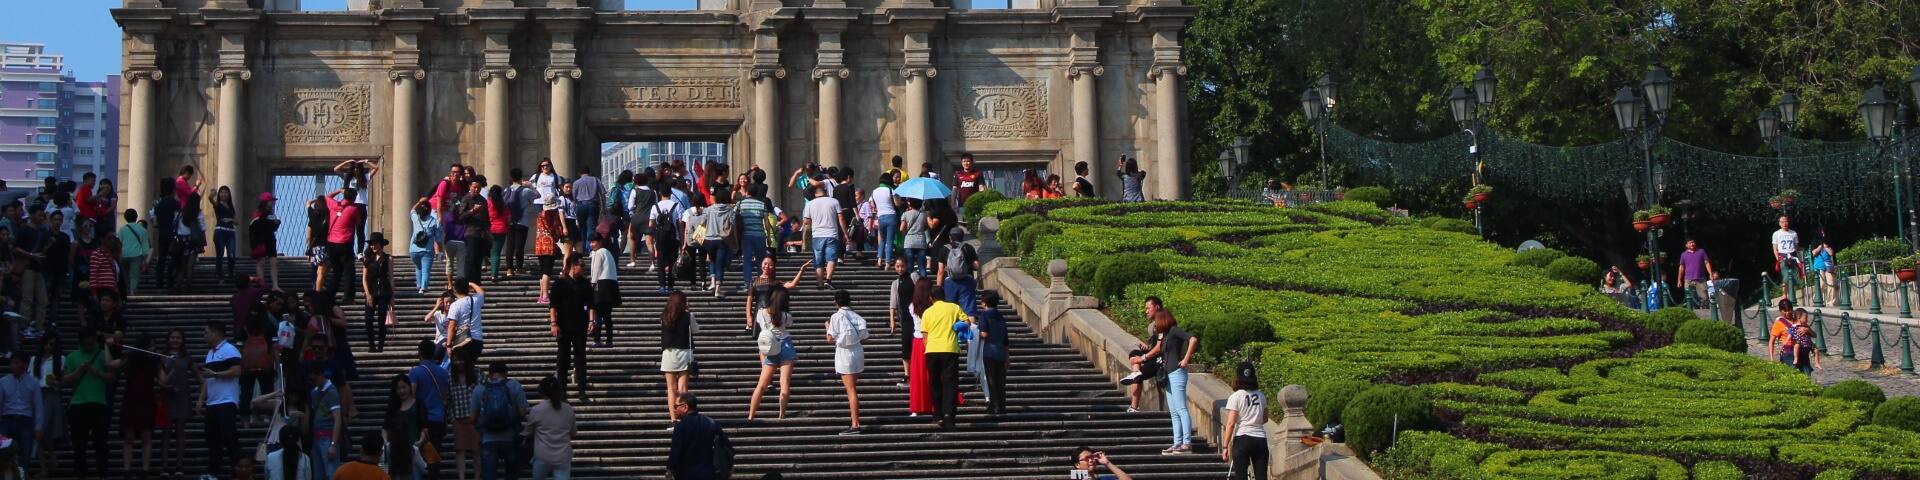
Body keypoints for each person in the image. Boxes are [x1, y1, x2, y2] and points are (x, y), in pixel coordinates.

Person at [1140, 297, 1198, 454]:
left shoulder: (1173, 330)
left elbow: (1192, 339)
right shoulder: (1164, 335)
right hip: (1168, 374)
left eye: (1157, 321)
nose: (1155, 324)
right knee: (1173, 411)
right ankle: (1177, 442)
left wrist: (1186, 359)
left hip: (1177, 373)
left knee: (1181, 408)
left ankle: (1187, 442)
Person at [200, 322, 244, 479]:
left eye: (206, 332)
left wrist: (216, 374)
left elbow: (236, 371)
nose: (204, 336)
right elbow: (207, 378)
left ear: (215, 333)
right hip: (212, 402)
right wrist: (201, 400)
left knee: (229, 436)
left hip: (226, 401)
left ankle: (238, 469)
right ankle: (213, 472)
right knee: (212, 439)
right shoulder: (210, 353)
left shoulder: (229, 350)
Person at [546, 258, 593, 402]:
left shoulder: (585, 283)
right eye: (582, 265)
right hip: (563, 326)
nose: (584, 268)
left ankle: (582, 390)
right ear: (573, 266)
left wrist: (591, 321)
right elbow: (553, 305)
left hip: (580, 326)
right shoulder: (560, 283)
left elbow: (591, 304)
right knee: (563, 360)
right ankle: (562, 392)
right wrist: (553, 323)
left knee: (581, 358)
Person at [748, 287, 797, 421]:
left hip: (770, 347)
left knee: (762, 384)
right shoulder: (786, 315)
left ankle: (751, 415)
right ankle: (782, 414)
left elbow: (760, 324)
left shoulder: (761, 312)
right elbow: (789, 324)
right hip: (785, 345)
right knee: (784, 382)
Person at [473, 362, 527, 480]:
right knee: (511, 473)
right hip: (510, 436)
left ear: (489, 374)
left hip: (487, 438)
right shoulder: (514, 385)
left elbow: (473, 417)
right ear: (505, 373)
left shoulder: (479, 389)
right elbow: (523, 412)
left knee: (489, 475)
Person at [406, 339, 451, 480]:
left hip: (420, 421)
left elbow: (411, 395)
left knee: (416, 453)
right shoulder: (443, 373)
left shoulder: (415, 372)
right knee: (434, 455)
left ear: (419, 353)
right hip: (438, 418)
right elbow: (446, 396)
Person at [826, 290, 868, 435]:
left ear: (836, 302)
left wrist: (827, 327)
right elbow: (864, 335)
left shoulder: (836, 316)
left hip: (845, 353)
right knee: (853, 388)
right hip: (857, 351)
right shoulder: (857, 316)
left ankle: (855, 423)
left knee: (851, 390)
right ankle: (855, 421)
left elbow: (829, 338)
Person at [1220, 362, 1269, 480]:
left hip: (1242, 438)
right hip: (1260, 439)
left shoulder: (1236, 396)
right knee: (1261, 476)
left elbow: (1231, 423)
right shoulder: (1261, 396)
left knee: (1241, 476)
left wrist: (1225, 446)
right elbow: (1265, 418)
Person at [524, 375, 575, 480]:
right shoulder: (568, 409)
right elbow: (573, 432)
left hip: (542, 455)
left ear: (542, 392)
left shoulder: (536, 410)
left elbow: (528, 431)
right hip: (563, 455)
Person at [659, 290, 696, 428]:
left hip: (668, 353)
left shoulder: (664, 316)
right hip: (685, 352)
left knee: (671, 388)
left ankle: (674, 420)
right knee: (683, 388)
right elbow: (696, 329)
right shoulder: (688, 315)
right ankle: (685, 418)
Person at [665, 393, 724, 480]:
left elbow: (675, 452)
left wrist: (670, 469)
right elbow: (727, 447)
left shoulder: (681, 426)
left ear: (685, 407)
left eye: (675, 406)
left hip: (686, 474)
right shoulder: (711, 423)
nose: (674, 410)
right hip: (709, 474)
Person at [159, 330, 192, 478]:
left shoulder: (186, 357)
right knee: (165, 433)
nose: (175, 340)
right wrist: (164, 386)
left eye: (178, 337)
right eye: (172, 337)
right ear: (168, 340)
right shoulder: (161, 357)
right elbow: (156, 377)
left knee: (180, 431)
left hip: (182, 396)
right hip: (166, 396)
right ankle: (164, 465)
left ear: (183, 340)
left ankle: (179, 465)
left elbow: (198, 375)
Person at [0, 354, 40, 476]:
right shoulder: (3, 381)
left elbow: (38, 406)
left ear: (25, 365)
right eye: (12, 363)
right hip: (7, 420)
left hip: (25, 421)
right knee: (3, 455)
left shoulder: (34, 383)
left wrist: (38, 427)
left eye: (16, 363)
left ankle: (22, 477)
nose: (13, 366)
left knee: (24, 456)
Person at [323, 188, 366, 301]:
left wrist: (338, 191)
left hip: (331, 243)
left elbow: (327, 197)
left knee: (336, 271)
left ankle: (330, 294)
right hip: (344, 243)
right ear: (354, 198)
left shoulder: (334, 205)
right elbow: (358, 223)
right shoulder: (353, 209)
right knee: (349, 271)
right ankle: (348, 296)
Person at [803, 183, 848, 291]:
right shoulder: (834, 201)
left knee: (818, 260)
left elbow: (805, 221)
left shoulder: (810, 204)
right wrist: (845, 233)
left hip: (817, 235)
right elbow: (841, 219)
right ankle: (828, 280)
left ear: (815, 193)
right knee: (831, 259)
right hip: (832, 234)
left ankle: (820, 283)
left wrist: (815, 221)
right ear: (826, 191)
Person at [382, 374, 427, 480]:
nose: (401, 391)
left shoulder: (419, 404)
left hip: (414, 450)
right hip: (395, 451)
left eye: (404, 387)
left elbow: (424, 427)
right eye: (398, 389)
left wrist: (419, 442)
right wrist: (386, 443)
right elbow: (385, 427)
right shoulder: (393, 406)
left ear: (409, 387)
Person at [306, 362, 344, 480]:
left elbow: (337, 419)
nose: (313, 382)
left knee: (331, 474)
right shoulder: (314, 392)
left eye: (314, 378)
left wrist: (333, 444)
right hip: (316, 438)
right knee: (318, 475)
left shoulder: (332, 392)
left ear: (321, 375)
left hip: (327, 438)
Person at [362, 233, 396, 353]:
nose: (373, 246)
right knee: (368, 319)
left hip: (384, 291)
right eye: (371, 244)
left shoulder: (388, 258)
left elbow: (391, 277)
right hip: (371, 291)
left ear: (381, 244)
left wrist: (392, 296)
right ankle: (371, 344)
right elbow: (364, 278)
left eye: (376, 243)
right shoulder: (368, 258)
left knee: (382, 320)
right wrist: (367, 294)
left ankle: (380, 345)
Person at [734, 184, 772, 292]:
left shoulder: (740, 203)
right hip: (760, 235)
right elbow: (766, 222)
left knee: (747, 260)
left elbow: (734, 217)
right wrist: (768, 236)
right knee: (761, 260)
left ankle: (748, 284)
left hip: (746, 235)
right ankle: (762, 282)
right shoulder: (762, 204)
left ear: (747, 192)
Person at [977, 292, 1009, 414]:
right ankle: (1001, 406)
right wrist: (1007, 358)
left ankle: (994, 405)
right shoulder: (1000, 316)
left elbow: (984, 334)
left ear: (984, 303)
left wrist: (975, 333)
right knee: (1001, 381)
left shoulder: (985, 315)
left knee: (991, 379)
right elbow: (1006, 339)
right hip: (1000, 352)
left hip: (989, 351)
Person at [647, 184, 683, 293]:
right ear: (671, 193)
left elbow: (650, 224)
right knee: (672, 262)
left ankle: (662, 286)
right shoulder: (677, 205)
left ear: (660, 193)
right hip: (673, 237)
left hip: (660, 238)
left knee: (661, 262)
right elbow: (681, 223)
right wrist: (681, 239)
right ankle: (671, 286)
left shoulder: (655, 206)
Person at [447, 356, 478, 480]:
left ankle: (477, 476)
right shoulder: (450, 377)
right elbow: (448, 399)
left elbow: (484, 391)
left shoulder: (477, 373)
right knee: (460, 450)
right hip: (459, 418)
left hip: (475, 418)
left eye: (460, 359)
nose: (458, 362)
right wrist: (452, 417)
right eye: (455, 360)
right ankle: (461, 477)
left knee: (476, 450)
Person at [937, 229, 980, 316]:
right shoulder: (968, 247)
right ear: (962, 237)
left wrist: (938, 286)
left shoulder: (944, 248)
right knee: (969, 311)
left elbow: (941, 271)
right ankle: (970, 328)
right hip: (966, 281)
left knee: (950, 310)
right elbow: (977, 265)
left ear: (950, 237)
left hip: (950, 282)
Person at [702, 190, 737, 297]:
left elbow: (703, 222)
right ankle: (718, 288)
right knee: (720, 265)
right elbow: (733, 224)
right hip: (722, 240)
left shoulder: (708, 209)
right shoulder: (730, 210)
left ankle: (712, 282)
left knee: (712, 261)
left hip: (708, 239)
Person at [534, 195, 568, 305]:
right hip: (549, 245)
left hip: (539, 244)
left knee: (542, 271)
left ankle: (541, 295)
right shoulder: (552, 215)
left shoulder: (540, 214)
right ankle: (545, 295)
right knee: (547, 271)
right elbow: (556, 230)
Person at [589, 234, 622, 348]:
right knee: (607, 316)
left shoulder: (599, 253)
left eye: (593, 242)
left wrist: (592, 284)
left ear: (599, 242)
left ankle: (597, 339)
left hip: (601, 284)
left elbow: (596, 270)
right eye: (591, 242)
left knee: (598, 314)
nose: (591, 244)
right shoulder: (608, 253)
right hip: (612, 285)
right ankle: (609, 340)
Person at [449, 281, 488, 366]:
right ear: (468, 289)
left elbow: (451, 326)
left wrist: (449, 344)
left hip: (462, 341)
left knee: (461, 367)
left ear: (455, 290)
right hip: (477, 340)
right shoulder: (475, 300)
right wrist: (471, 283)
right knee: (470, 365)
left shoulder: (455, 305)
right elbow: (481, 292)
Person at [506, 168, 535, 278]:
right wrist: (530, 185)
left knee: (510, 245)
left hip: (510, 221)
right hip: (522, 221)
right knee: (520, 246)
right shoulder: (526, 190)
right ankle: (519, 267)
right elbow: (538, 196)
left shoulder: (507, 190)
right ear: (521, 177)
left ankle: (509, 268)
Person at [251, 193, 283, 290]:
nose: (272, 203)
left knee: (274, 262)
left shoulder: (271, 214)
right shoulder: (258, 214)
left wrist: (276, 224)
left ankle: (275, 285)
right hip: (261, 241)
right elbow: (256, 226)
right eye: (271, 201)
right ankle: (261, 284)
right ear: (265, 202)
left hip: (270, 240)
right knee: (261, 262)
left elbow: (271, 228)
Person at [410, 199, 441, 294]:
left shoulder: (416, 218)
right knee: (425, 270)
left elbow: (412, 211)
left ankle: (419, 285)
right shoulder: (434, 221)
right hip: (427, 250)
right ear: (429, 210)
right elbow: (438, 239)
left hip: (413, 250)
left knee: (418, 267)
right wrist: (439, 252)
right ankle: (423, 288)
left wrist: (419, 202)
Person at [117, 209, 150, 296]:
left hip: (124, 254)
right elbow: (145, 248)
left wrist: (119, 255)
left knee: (124, 274)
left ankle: (124, 290)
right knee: (134, 275)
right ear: (136, 217)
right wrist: (145, 260)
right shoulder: (143, 230)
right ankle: (132, 291)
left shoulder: (122, 230)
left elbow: (119, 243)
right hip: (137, 255)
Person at [1676, 238, 1718, 308]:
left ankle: (1705, 313)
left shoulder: (1701, 251)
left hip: (1700, 279)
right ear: (1686, 245)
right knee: (1689, 298)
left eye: (1693, 242)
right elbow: (1681, 267)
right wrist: (1679, 280)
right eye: (1690, 243)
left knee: (1704, 298)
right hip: (1688, 280)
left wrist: (1710, 273)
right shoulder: (1683, 254)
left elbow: (1706, 262)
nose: (1692, 244)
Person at [571, 169, 604, 249]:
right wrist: (603, 207)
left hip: (580, 205)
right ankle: (590, 248)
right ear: (589, 172)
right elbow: (602, 193)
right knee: (591, 226)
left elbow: (574, 197)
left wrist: (574, 209)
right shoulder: (596, 180)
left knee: (582, 227)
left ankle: (582, 248)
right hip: (593, 205)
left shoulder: (576, 182)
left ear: (579, 173)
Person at [212, 186, 239, 278]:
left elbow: (237, 222)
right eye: (222, 192)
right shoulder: (218, 205)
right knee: (220, 254)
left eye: (226, 192)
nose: (224, 194)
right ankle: (220, 276)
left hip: (230, 232)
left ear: (229, 194)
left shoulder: (231, 206)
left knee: (231, 255)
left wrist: (230, 219)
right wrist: (212, 195)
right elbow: (211, 200)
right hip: (220, 231)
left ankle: (231, 273)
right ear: (219, 194)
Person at [900, 200, 929, 277]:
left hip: (909, 242)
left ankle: (910, 284)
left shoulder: (905, 214)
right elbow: (926, 227)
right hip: (921, 242)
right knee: (922, 266)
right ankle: (923, 285)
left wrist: (907, 231)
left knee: (910, 266)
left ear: (911, 204)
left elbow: (901, 229)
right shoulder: (924, 214)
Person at [1808, 231, 1838, 304]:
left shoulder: (1828, 243)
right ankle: (1817, 299)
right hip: (1819, 266)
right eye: (1821, 233)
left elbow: (1831, 253)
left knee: (1831, 283)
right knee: (1822, 284)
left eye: (1824, 233)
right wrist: (1819, 247)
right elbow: (1813, 253)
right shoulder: (1815, 243)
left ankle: (1831, 301)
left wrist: (1826, 247)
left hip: (1828, 266)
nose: (1823, 234)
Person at [1766, 298, 1797, 365]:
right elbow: (1771, 341)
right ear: (1780, 311)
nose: (1788, 312)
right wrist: (1771, 358)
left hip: (1800, 352)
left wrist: (1806, 330)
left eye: (1789, 310)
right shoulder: (1779, 323)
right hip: (1788, 354)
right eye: (1785, 311)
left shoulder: (1798, 321)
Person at [1791, 308, 1820, 374]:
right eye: (1805, 318)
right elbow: (1790, 334)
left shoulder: (1806, 327)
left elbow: (1815, 335)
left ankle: (1817, 363)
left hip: (1807, 345)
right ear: (1799, 318)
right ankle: (1796, 358)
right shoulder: (1794, 326)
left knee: (1816, 350)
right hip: (1800, 346)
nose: (1807, 320)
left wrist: (1808, 330)